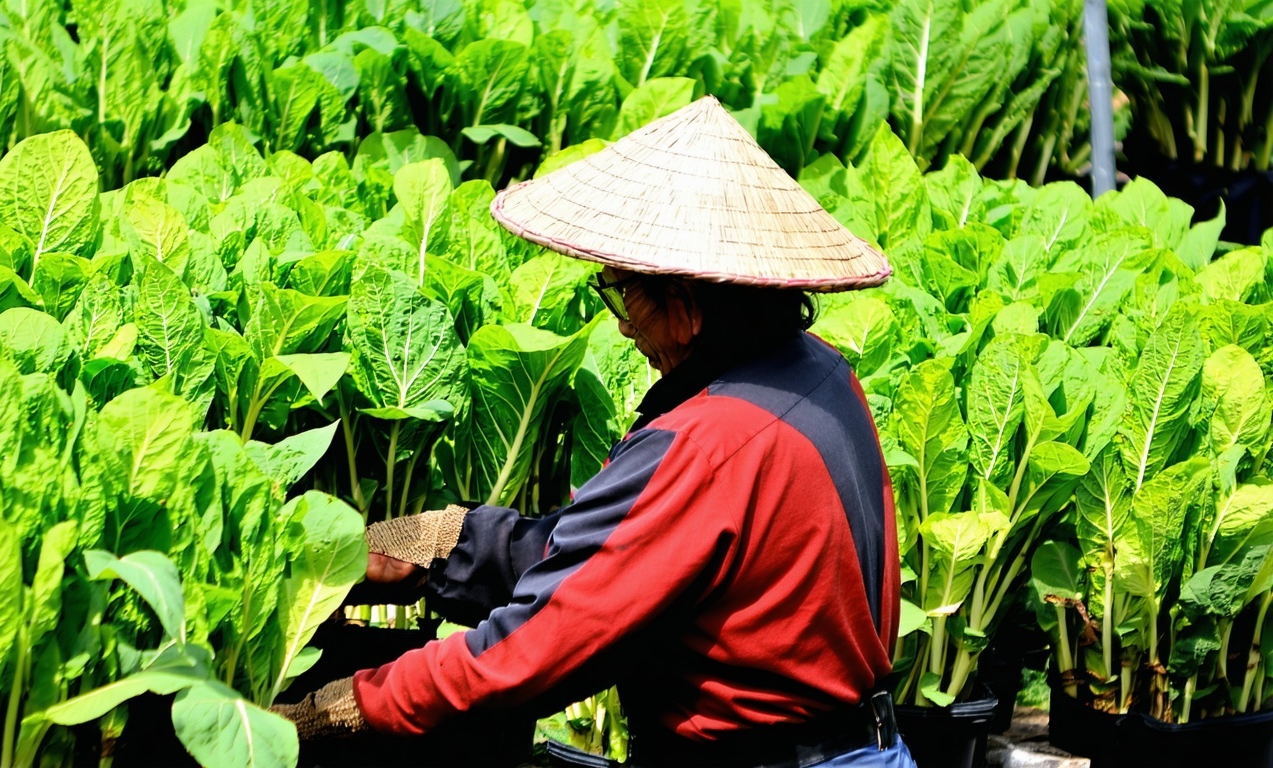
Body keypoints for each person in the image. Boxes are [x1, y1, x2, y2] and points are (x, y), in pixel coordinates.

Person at [273, 96, 917, 768]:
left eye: (623, 293)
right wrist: (442, 546)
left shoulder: (712, 442)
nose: (621, 324)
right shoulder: (814, 372)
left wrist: (341, 708)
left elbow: (533, 648)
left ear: (689, 307)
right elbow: (629, 553)